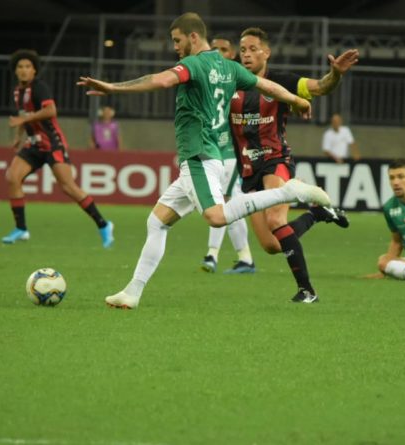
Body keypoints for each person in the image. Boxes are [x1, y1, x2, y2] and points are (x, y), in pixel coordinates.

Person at [76, 13, 330, 309]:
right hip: (215, 157)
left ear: (193, 37)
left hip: (198, 155)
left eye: (177, 40)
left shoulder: (193, 64)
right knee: (157, 222)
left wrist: (114, 88)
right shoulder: (229, 66)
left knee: (216, 216)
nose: (175, 47)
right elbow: (268, 86)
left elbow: (160, 81)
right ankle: (132, 292)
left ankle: (288, 192)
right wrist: (297, 100)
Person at [229, 27, 358, 303]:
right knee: (271, 245)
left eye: (253, 49)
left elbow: (321, 87)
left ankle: (307, 291)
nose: (247, 55)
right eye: (243, 50)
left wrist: (335, 73)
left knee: (276, 219)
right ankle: (317, 214)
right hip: (248, 169)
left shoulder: (282, 82)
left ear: (267, 52)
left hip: (276, 160)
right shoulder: (231, 84)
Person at [4, 49, 115, 248]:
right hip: (33, 144)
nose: (23, 70)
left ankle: (104, 225)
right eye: (20, 67)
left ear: (34, 70)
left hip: (52, 143)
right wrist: (17, 137)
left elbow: (50, 110)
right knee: (12, 177)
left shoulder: (39, 88)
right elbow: (24, 116)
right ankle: (21, 229)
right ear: (15, 70)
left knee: (68, 187)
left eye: (28, 66)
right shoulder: (17, 92)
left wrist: (24, 119)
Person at [198, 32, 255, 274]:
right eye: (215, 48)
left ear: (231, 54)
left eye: (223, 49)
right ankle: (245, 258)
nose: (218, 52)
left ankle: (213, 255)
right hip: (214, 151)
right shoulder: (209, 80)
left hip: (231, 153)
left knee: (221, 202)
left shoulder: (236, 80)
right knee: (230, 203)